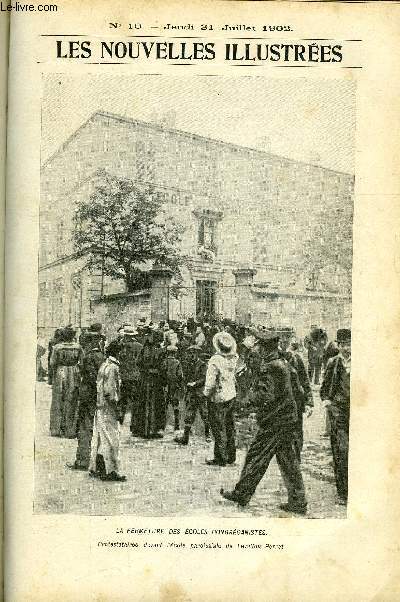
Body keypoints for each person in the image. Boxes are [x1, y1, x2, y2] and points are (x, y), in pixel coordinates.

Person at [221, 329, 307, 514]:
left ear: (265, 348)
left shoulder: (270, 366)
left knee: (256, 456)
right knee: (288, 461)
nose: (257, 348)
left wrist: (245, 401)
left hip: (275, 421)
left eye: (259, 345)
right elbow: (298, 389)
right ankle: (298, 501)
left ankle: (241, 493)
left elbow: (265, 395)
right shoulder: (283, 362)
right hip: (287, 418)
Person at [320, 328, 351, 505]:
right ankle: (343, 493)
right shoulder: (334, 362)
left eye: (350, 345)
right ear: (338, 346)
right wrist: (328, 403)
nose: (347, 348)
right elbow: (325, 389)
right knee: (341, 451)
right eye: (344, 345)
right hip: (338, 412)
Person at [67, 326, 104, 470]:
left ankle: (83, 461)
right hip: (98, 397)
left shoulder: (89, 358)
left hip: (88, 395)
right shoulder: (102, 356)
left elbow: (90, 377)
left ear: (89, 343)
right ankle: (98, 462)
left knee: (84, 427)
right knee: (98, 428)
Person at [89, 340, 126, 482]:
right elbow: (110, 391)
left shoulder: (105, 364)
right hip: (108, 407)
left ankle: (96, 467)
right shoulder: (113, 368)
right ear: (117, 352)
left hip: (100, 406)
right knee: (112, 439)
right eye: (122, 351)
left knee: (99, 437)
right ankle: (111, 471)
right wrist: (117, 409)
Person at [203, 332, 238, 466]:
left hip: (218, 397)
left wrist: (206, 394)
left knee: (218, 427)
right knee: (230, 425)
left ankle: (221, 456)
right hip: (231, 394)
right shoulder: (234, 358)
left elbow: (211, 382)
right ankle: (231, 455)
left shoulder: (215, 360)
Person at [280, 332, 313, 461]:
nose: (283, 342)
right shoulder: (273, 358)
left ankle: (295, 461)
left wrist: (309, 402)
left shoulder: (296, 359)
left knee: (297, 433)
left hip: (296, 402)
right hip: (280, 404)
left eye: (286, 338)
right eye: (281, 339)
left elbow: (305, 381)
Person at [49, 326, 83, 438]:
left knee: (58, 399)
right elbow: (82, 363)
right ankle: (70, 429)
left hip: (60, 372)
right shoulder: (78, 347)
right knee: (72, 399)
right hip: (74, 372)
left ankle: (57, 428)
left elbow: (53, 362)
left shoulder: (57, 347)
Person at [174, 345, 211, 445]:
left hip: (200, 392)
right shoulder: (188, 365)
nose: (191, 355)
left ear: (197, 354)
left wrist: (195, 383)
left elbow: (204, 378)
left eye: (193, 353)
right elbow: (184, 377)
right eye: (190, 353)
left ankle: (208, 435)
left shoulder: (203, 365)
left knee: (204, 414)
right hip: (191, 393)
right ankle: (185, 437)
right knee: (189, 414)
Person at [136, 330, 165, 438]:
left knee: (144, 402)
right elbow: (163, 366)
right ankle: (154, 429)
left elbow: (138, 362)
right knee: (156, 403)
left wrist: (144, 370)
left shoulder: (145, 348)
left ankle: (142, 429)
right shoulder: (161, 350)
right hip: (156, 380)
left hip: (144, 379)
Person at [117, 325, 143, 434]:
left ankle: (120, 419)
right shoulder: (139, 346)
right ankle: (134, 424)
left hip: (123, 376)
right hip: (135, 376)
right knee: (135, 400)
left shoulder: (120, 345)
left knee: (122, 398)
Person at [161, 345, 184, 433]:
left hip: (166, 385)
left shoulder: (164, 361)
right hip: (175, 386)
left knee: (164, 405)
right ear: (175, 353)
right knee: (175, 406)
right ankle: (177, 425)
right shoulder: (177, 362)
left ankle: (163, 425)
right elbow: (180, 375)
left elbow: (162, 373)